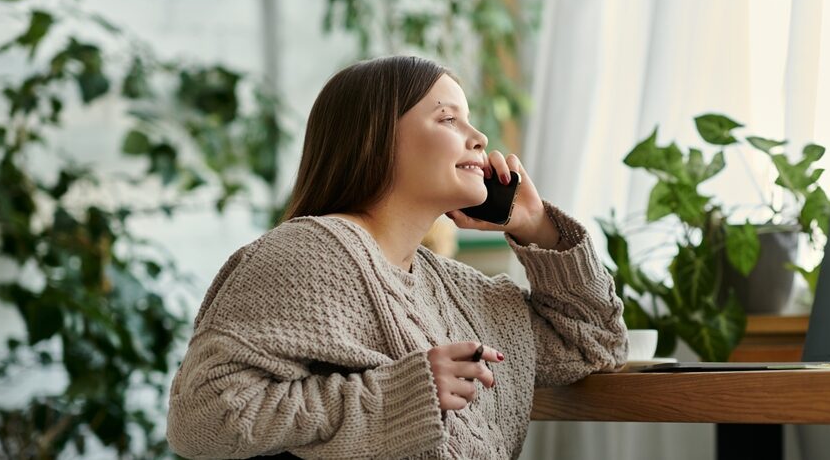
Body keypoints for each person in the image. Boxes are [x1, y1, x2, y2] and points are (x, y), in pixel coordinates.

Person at [165, 55, 628, 459]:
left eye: (469, 119)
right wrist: (398, 394)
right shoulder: (308, 254)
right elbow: (202, 416)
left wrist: (536, 224)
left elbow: (592, 344)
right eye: (448, 119)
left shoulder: (453, 287)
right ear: (375, 138)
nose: (480, 136)